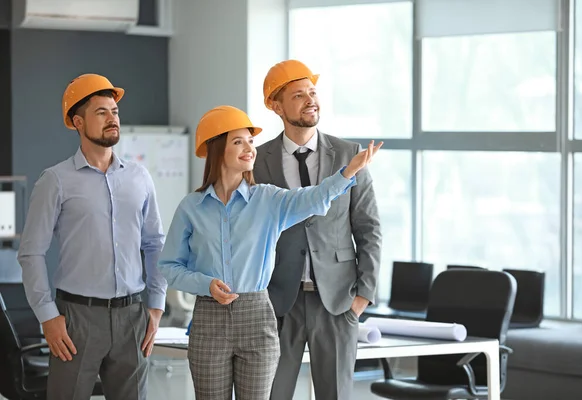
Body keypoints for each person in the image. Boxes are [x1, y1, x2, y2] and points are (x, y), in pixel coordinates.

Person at [157, 105, 382, 400]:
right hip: (209, 317)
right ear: (216, 149)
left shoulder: (268, 199)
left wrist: (347, 173)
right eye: (238, 142)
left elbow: (314, 198)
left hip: (258, 315)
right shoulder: (191, 207)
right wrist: (205, 284)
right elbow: (169, 266)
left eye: (250, 141)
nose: (250, 148)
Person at [17, 73, 167, 400]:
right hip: (75, 320)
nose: (112, 118)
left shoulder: (140, 178)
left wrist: (156, 306)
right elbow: (31, 253)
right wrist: (47, 315)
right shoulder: (55, 181)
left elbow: (155, 243)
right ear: (78, 122)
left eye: (114, 111)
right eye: (101, 112)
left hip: (133, 317)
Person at [253, 59, 383, 400]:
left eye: (313, 92)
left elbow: (368, 226)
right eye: (299, 95)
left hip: (338, 301)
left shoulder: (348, 154)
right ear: (276, 106)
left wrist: (363, 295)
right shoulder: (258, 160)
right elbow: (249, 231)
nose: (311, 100)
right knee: (270, 393)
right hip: (279, 300)